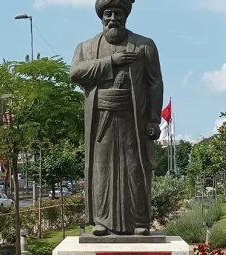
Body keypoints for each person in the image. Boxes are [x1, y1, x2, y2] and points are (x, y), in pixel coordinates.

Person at [70, 0, 164, 236]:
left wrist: (153, 119)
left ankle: (140, 222)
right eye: (108, 14)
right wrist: (112, 61)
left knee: (135, 168)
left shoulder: (144, 46)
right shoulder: (86, 47)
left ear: (125, 16)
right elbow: (76, 73)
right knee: (101, 170)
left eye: (118, 13)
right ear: (101, 17)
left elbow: (154, 83)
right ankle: (102, 222)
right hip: (102, 121)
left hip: (134, 120)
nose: (113, 18)